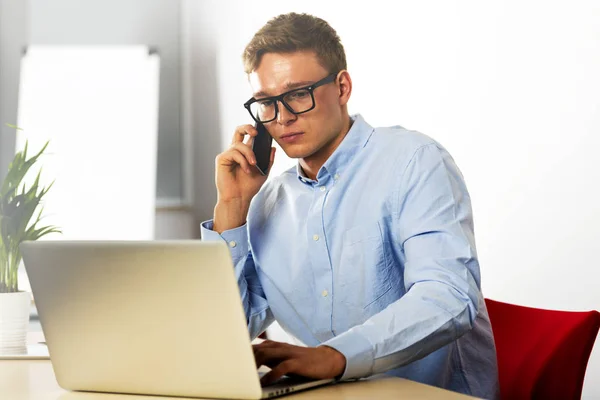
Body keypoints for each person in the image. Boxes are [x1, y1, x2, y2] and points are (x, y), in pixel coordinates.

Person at [200, 12, 499, 399]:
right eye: (266, 103)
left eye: (297, 94)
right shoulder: (267, 204)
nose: (283, 117)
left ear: (342, 87)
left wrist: (334, 357)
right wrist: (233, 207)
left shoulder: (414, 161)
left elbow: (448, 296)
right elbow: (226, 330)